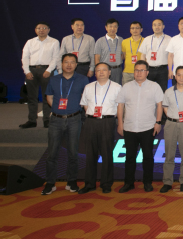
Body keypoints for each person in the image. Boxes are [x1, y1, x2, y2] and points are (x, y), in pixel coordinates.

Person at [41, 54, 89, 195]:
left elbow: (85, 98)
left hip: (74, 118)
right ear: (61, 64)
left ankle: (72, 181)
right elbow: (49, 96)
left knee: (73, 152)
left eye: (72, 62)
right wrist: (58, 109)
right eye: (66, 62)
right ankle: (50, 183)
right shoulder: (54, 79)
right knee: (52, 153)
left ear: (76, 65)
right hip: (56, 120)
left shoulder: (83, 79)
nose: (69, 65)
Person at [116, 60, 163, 193]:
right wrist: (120, 123)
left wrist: (158, 122)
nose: (139, 73)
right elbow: (120, 105)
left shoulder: (154, 86)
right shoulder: (126, 87)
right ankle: (128, 183)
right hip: (129, 127)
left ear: (147, 72)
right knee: (130, 157)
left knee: (148, 157)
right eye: (136, 70)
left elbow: (159, 105)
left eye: (142, 70)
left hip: (147, 127)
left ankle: (147, 182)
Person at [79, 62, 121, 194]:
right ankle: (89, 184)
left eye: (104, 70)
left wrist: (118, 122)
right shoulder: (88, 87)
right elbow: (85, 104)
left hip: (107, 122)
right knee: (90, 154)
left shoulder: (117, 87)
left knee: (107, 154)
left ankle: (106, 183)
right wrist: (92, 115)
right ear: (95, 73)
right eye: (98, 70)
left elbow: (120, 107)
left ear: (110, 72)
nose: (101, 72)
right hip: (91, 122)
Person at [160, 65, 183, 193]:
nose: (181, 77)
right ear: (175, 76)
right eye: (179, 75)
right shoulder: (168, 91)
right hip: (171, 123)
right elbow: (165, 107)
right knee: (169, 154)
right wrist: (172, 116)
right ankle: (167, 182)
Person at [20, 21, 60, 128]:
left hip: (46, 70)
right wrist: (27, 71)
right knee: (31, 97)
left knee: (47, 96)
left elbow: (56, 58)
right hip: (31, 70)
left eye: (44, 28)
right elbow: (25, 57)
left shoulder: (54, 42)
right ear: (35, 30)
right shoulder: (30, 42)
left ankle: (47, 120)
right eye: (39, 28)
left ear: (48, 30)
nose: (41, 30)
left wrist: (49, 70)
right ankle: (32, 120)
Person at [139, 19, 171, 91]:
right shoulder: (147, 39)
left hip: (163, 70)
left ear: (163, 26)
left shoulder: (169, 39)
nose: (157, 27)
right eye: (154, 25)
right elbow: (143, 55)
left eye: (159, 25)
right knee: (147, 91)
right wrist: (142, 69)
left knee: (162, 91)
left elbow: (171, 56)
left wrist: (170, 70)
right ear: (152, 27)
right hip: (149, 69)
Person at [94, 18, 124, 85]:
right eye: (110, 26)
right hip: (104, 70)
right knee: (104, 86)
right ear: (106, 27)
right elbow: (97, 58)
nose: (112, 28)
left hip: (117, 69)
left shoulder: (121, 40)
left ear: (117, 28)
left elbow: (122, 55)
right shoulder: (100, 41)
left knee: (117, 88)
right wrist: (98, 70)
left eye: (115, 26)